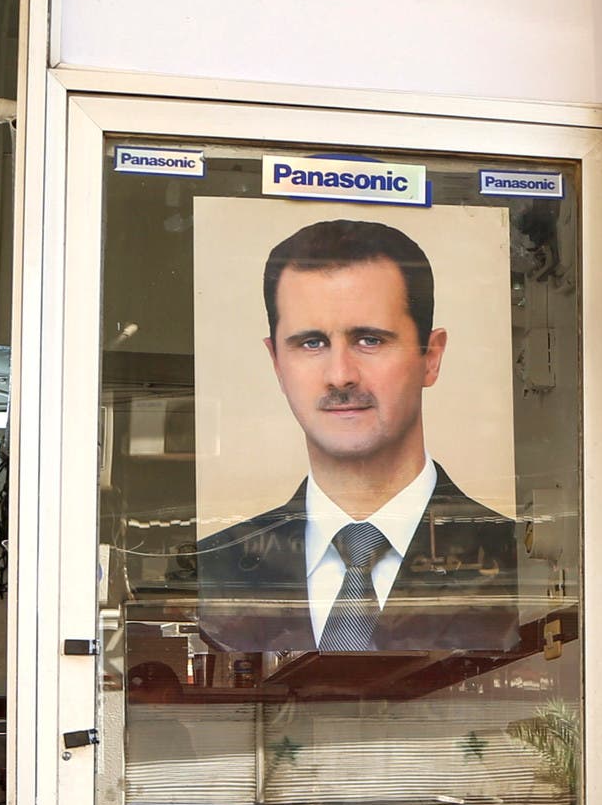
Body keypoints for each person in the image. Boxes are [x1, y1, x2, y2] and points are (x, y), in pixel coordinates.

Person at [195, 218, 520, 655]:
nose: (340, 375)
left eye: (369, 340)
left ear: (432, 357)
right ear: (276, 362)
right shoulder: (212, 569)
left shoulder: (518, 558)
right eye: (311, 343)